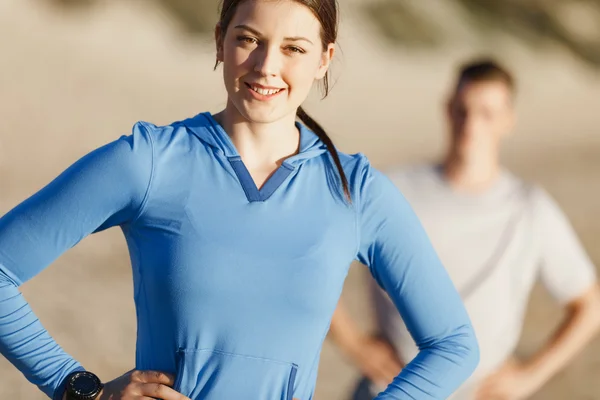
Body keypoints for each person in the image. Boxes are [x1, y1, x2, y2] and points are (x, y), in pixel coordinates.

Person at [0, 1, 479, 399]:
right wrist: (79, 389)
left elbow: (454, 344)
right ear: (219, 41)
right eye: (248, 39)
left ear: (325, 59)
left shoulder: (355, 190)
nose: (267, 65)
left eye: (294, 48)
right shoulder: (148, 162)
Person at [329, 59, 600, 400]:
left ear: (508, 121)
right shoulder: (391, 190)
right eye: (463, 110)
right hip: (390, 390)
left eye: (487, 113)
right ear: (448, 110)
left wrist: (529, 377)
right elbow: (312, 259)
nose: (471, 124)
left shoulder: (529, 208)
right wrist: (353, 343)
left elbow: (589, 306)